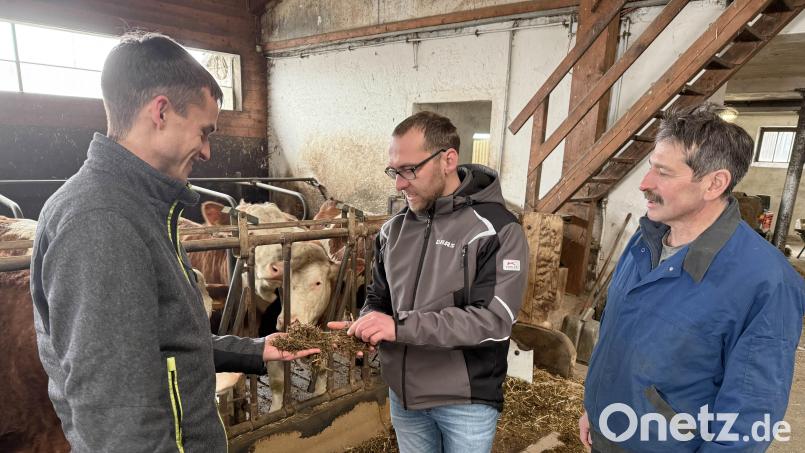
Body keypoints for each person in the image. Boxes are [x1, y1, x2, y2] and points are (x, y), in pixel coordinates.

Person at [29, 32, 318, 451]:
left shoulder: (139, 208)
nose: (206, 151)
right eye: (204, 131)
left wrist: (252, 352)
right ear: (160, 111)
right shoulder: (102, 222)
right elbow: (116, 419)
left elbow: (158, 342)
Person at [579, 103, 805, 452]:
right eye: (651, 168)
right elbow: (616, 337)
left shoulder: (766, 282)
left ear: (715, 183)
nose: (644, 184)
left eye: (663, 173)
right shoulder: (646, 240)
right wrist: (594, 409)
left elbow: (749, 418)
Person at [329, 111, 529, 453]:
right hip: (404, 396)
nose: (399, 184)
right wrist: (368, 325)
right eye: (394, 171)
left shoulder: (496, 229)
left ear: (448, 159)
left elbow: (494, 321)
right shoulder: (393, 231)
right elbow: (379, 297)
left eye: (410, 170)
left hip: (465, 400)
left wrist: (399, 327)